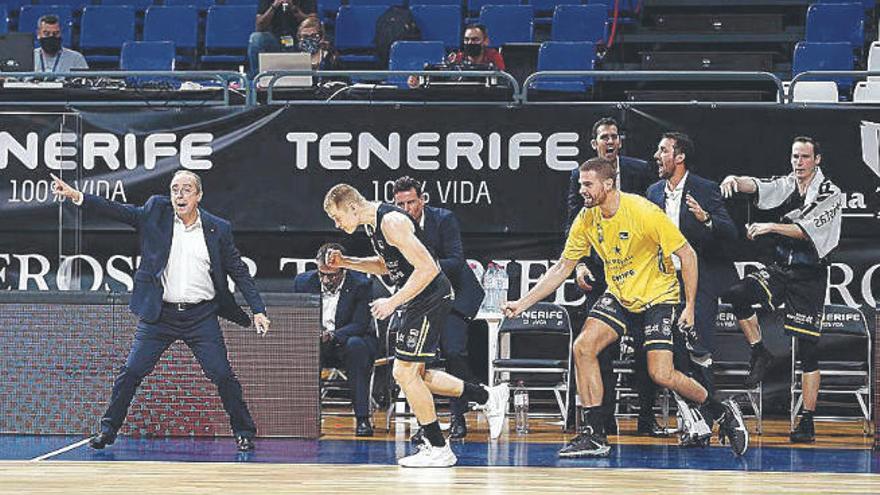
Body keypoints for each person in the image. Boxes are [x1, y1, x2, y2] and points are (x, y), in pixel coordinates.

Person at [503, 157, 748, 458]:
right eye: (580, 184)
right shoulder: (586, 218)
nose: (582, 190)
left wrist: (690, 307)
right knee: (583, 347)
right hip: (621, 295)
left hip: (658, 298)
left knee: (662, 374)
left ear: (608, 184)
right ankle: (594, 434)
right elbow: (562, 267)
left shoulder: (643, 212)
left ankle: (721, 410)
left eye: (587, 184)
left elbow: (688, 255)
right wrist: (522, 303)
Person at [51, 170, 270, 452]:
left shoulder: (217, 229)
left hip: (200, 316)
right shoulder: (155, 212)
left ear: (198, 196)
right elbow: (118, 211)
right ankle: (107, 430)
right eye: (175, 188)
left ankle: (243, 431)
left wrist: (258, 310)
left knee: (223, 375)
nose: (180, 194)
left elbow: (239, 271)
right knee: (130, 372)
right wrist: (76, 196)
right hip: (159, 315)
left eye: (187, 189)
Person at [323, 184, 508, 467]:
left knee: (404, 372)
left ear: (352, 207)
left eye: (337, 217)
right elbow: (390, 266)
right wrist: (347, 262)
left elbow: (429, 268)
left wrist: (393, 301)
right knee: (415, 375)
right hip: (419, 297)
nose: (336, 224)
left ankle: (438, 447)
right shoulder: (374, 225)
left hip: (430, 296)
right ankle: (487, 396)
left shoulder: (391, 221)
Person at [719, 136, 842, 443]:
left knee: (808, 352)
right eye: (794, 156)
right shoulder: (788, 183)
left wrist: (769, 227)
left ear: (817, 160)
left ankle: (807, 421)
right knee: (738, 295)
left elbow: (805, 231)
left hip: (810, 274)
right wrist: (735, 180)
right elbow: (760, 186)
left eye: (804, 157)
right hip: (780, 269)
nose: (798, 162)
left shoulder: (831, 192)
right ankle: (760, 351)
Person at [565, 117, 656, 437]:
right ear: (595, 144)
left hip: (642, 279)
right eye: (604, 137)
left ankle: (648, 418)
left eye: (615, 137)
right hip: (601, 277)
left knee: (651, 350)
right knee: (594, 349)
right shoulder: (583, 179)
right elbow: (572, 228)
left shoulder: (639, 171)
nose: (610, 142)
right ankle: (600, 423)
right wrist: (578, 266)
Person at [646, 132, 738, 418]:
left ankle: (713, 418)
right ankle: (691, 422)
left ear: (680, 156)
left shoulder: (705, 189)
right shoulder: (653, 192)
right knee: (675, 358)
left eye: (663, 150)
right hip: (663, 285)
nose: (656, 156)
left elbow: (730, 233)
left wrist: (706, 219)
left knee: (699, 352)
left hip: (697, 283)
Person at [392, 176, 485, 440]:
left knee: (454, 350)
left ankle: (459, 417)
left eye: (411, 202)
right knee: (416, 362)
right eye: (401, 204)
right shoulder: (393, 225)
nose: (407, 209)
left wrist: (422, 266)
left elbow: (456, 261)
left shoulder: (443, 219)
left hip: (456, 294)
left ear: (422, 200)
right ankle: (427, 425)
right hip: (424, 298)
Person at [294, 243, 377, 437]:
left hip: (347, 340)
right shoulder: (303, 282)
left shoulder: (361, 283)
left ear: (344, 268)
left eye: (332, 275)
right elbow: (299, 317)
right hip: (318, 343)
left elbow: (360, 324)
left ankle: (363, 419)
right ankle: (305, 418)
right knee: (302, 347)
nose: (325, 279)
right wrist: (315, 333)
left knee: (356, 346)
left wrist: (332, 335)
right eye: (322, 273)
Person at [248, 0, 315, 77]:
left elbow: (313, 22)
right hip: (275, 39)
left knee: (312, 38)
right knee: (256, 38)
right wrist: (274, 6)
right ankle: (258, 80)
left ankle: (313, 80)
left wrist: (293, 8)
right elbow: (259, 26)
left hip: (299, 38)